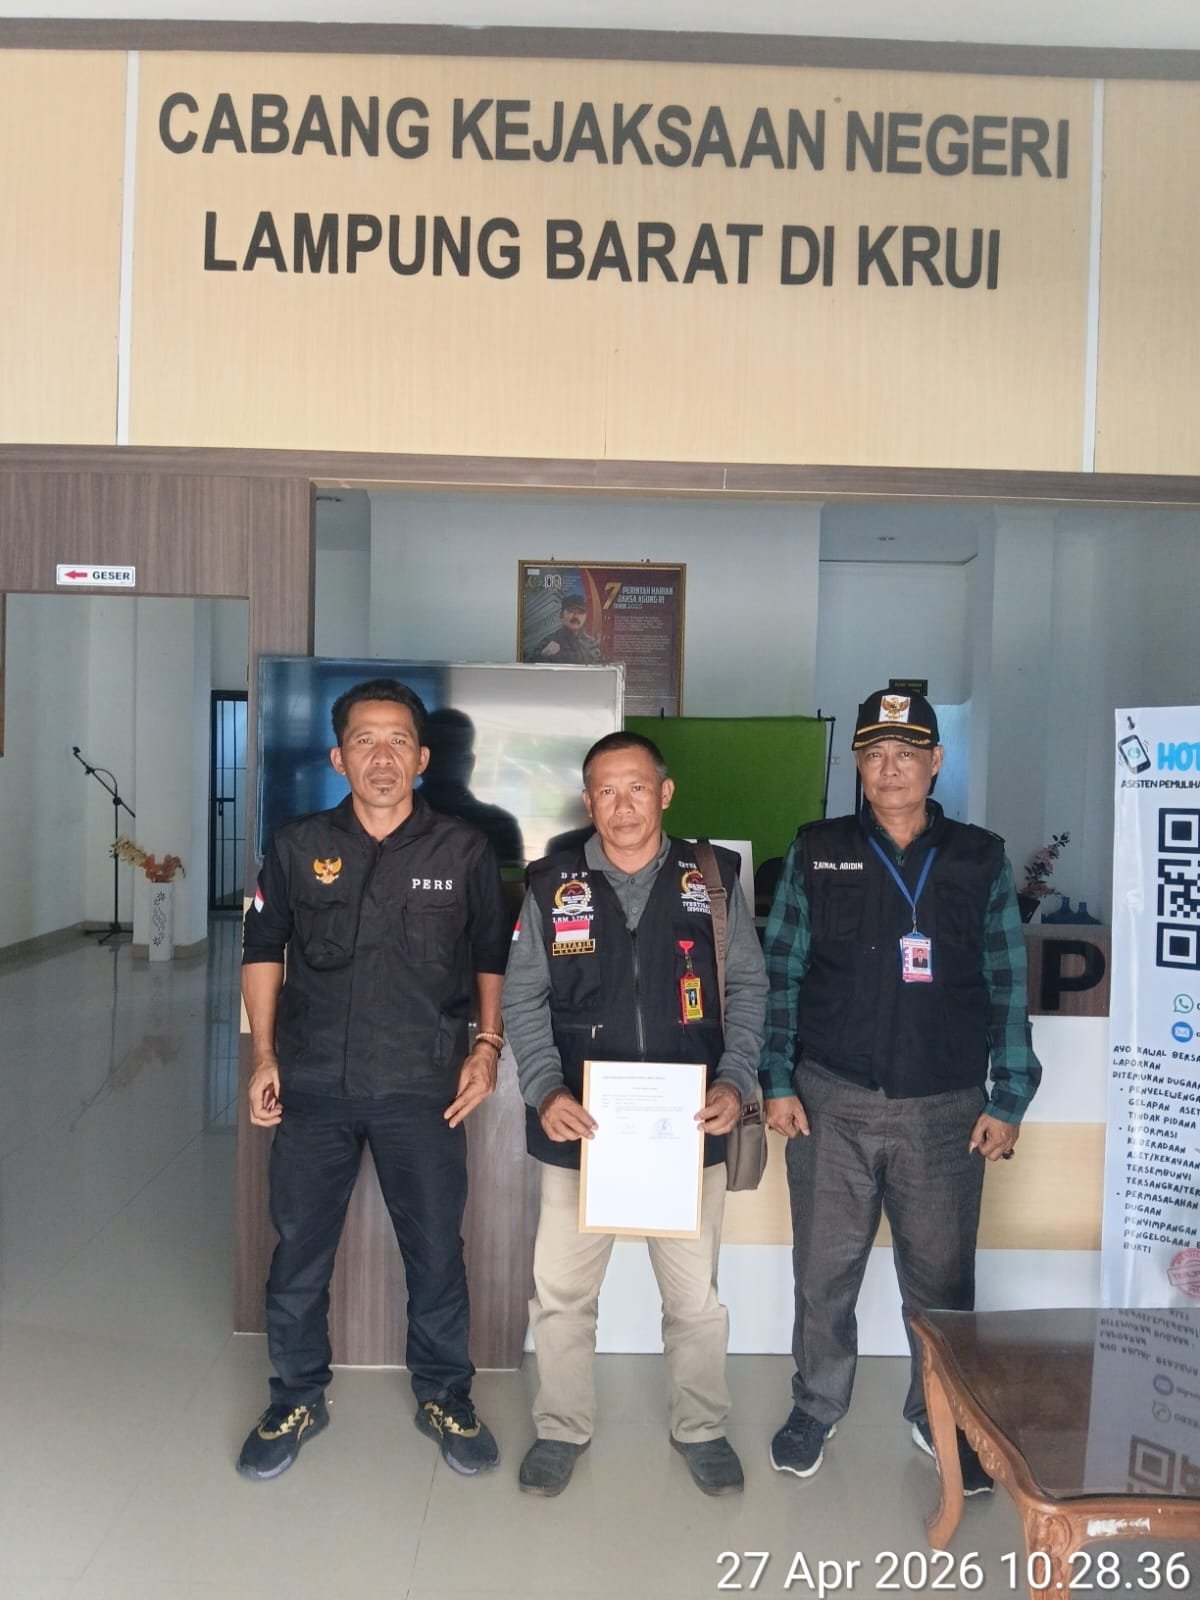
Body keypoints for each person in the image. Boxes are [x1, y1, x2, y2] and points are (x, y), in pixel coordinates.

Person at [760, 689, 1041, 1496]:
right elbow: (782, 975)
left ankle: (941, 1415)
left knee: (942, 1286)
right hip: (830, 1101)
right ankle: (815, 1405)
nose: (891, 769)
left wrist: (1009, 1096)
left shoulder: (979, 859)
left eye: (908, 753)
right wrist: (776, 1079)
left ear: (936, 761)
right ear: (857, 763)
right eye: (875, 754)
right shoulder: (817, 850)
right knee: (823, 1274)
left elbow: (1006, 984)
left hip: (946, 1109)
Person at [238, 678, 511, 1481]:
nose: (382, 756)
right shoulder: (296, 845)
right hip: (314, 1084)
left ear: (423, 759)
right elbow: (262, 948)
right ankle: (297, 1395)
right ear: (338, 757)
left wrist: (488, 1044)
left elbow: (490, 954)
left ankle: (445, 1394)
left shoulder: (463, 849)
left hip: (425, 1089)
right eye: (364, 740)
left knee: (436, 1254)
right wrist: (263, 1055)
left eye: (398, 741)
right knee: (299, 1253)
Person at [503, 731, 768, 1498]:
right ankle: (562, 1428)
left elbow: (748, 988)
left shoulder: (711, 878)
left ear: (665, 793)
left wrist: (736, 1081)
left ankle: (701, 1427)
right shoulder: (552, 883)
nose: (623, 806)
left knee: (693, 1300)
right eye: (606, 792)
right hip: (578, 1130)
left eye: (638, 788)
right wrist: (545, 1089)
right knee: (561, 1296)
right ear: (588, 801)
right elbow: (524, 997)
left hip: (687, 1131)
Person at [526, 593, 602, 665]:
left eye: (581, 612)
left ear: (585, 617)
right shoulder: (549, 641)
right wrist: (544, 655)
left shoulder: (591, 643)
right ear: (561, 615)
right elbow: (531, 667)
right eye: (571, 611)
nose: (576, 616)